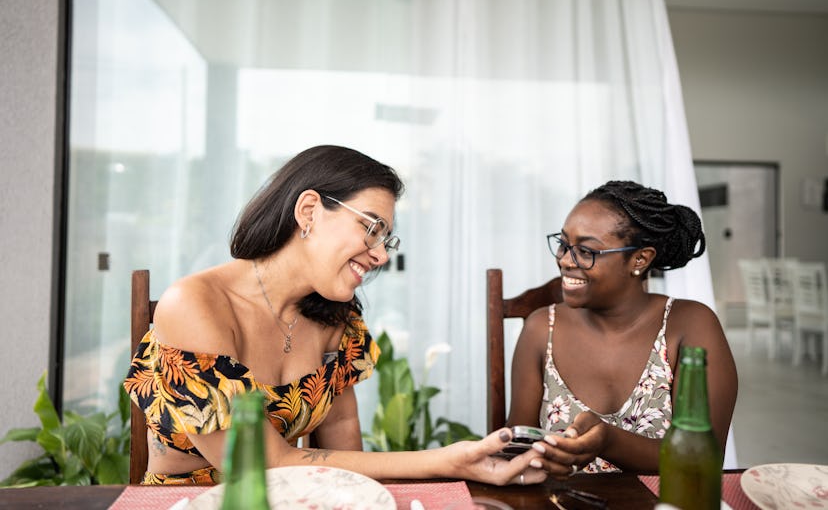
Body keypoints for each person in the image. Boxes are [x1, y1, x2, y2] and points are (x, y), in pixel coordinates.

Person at [124, 145, 545, 486]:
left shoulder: (336, 320)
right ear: (309, 211)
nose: (380, 255)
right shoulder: (196, 304)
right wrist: (448, 461)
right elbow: (258, 466)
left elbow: (346, 456)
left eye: (386, 238)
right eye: (371, 227)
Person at [507, 180, 737, 480]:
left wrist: (609, 440)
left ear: (640, 259)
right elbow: (516, 448)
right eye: (564, 244)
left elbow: (700, 460)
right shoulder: (540, 329)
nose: (565, 260)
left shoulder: (691, 326)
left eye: (586, 251)